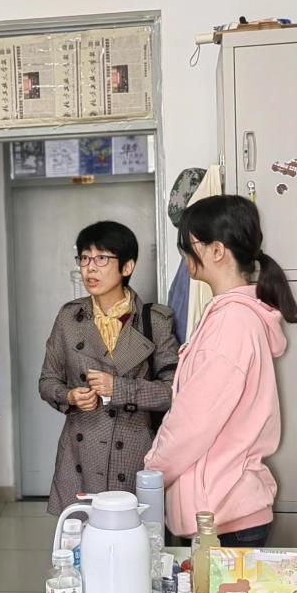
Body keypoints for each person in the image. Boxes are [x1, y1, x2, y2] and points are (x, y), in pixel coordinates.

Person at [145, 195, 297, 547]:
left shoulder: (231, 323)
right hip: (224, 508)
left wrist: (152, 470)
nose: (185, 254)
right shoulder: (233, 316)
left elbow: (193, 422)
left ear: (217, 251)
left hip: (222, 515)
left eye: (189, 245)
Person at [39, 221, 178, 516]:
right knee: (81, 536)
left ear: (127, 266)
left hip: (134, 454)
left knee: (132, 535)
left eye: (102, 258)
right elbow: (48, 380)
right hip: (80, 454)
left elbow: (172, 392)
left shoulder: (155, 321)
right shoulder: (68, 318)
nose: (90, 268)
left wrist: (119, 388)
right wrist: (69, 396)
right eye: (84, 258)